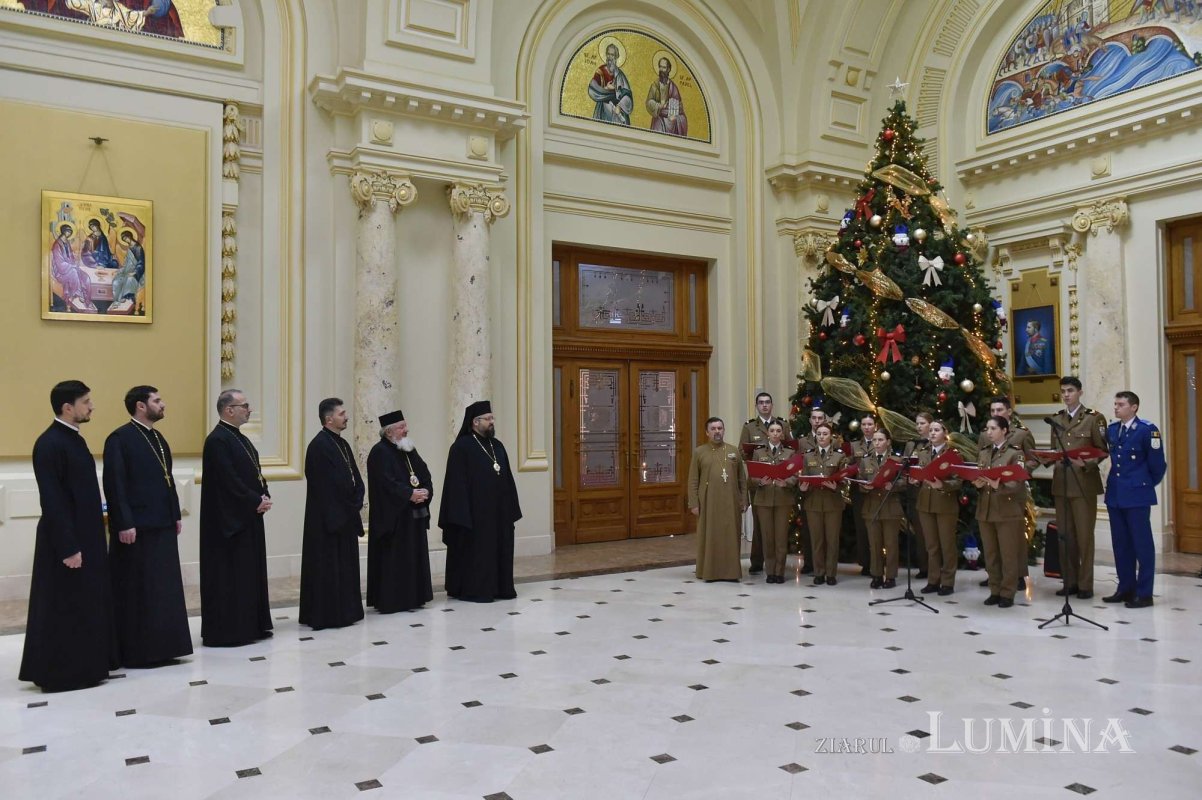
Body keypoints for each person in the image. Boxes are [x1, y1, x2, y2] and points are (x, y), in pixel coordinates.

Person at [20, 380, 117, 691]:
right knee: (63, 607)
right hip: (66, 542)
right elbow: (53, 500)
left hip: (84, 536)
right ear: (67, 407)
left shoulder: (73, 439)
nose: (91, 407)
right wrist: (68, 547)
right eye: (86, 402)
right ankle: (63, 672)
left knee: (84, 603)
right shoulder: (49, 443)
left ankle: (87, 666)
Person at [103, 385, 191, 666]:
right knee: (139, 589)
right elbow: (115, 484)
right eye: (157, 400)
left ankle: (165, 646)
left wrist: (175, 513)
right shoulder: (120, 438)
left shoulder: (159, 437)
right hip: (136, 528)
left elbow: (169, 479)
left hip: (162, 524)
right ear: (141, 406)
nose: (162, 404)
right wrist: (124, 522)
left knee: (162, 589)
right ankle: (139, 650)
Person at [199, 389, 273, 646]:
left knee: (249, 575)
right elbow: (228, 481)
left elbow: (255, 474)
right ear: (228, 409)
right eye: (245, 405)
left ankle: (252, 624)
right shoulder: (218, 440)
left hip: (248, 517)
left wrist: (264, 495)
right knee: (231, 577)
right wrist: (255, 501)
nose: (249, 410)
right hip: (228, 524)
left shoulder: (240, 439)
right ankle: (232, 629)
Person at [439, 401, 522, 602]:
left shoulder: (498, 446)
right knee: (479, 554)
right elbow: (455, 487)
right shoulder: (461, 447)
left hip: (499, 514)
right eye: (488, 419)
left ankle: (501, 588)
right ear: (475, 422)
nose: (492, 422)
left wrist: (510, 508)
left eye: (492, 418)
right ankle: (476, 589)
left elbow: (507, 478)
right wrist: (462, 517)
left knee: (499, 549)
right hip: (475, 516)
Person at [299, 398, 366, 629]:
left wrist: (357, 499)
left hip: (345, 516)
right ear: (329, 419)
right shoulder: (318, 446)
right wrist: (347, 506)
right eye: (342, 414)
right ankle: (328, 614)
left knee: (346, 568)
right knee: (328, 568)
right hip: (327, 521)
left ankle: (347, 611)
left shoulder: (343, 444)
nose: (346, 417)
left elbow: (355, 477)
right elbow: (324, 487)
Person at [1045, 376, 1108, 600]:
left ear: (1080, 392)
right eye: (1063, 391)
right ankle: (1069, 581)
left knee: (1084, 537)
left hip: (1083, 484)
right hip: (1062, 484)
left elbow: (1102, 450)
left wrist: (1087, 463)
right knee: (1065, 536)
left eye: (1070, 391)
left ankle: (1085, 584)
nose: (1066, 395)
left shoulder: (1094, 419)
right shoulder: (1056, 419)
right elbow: (1055, 449)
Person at [1103, 391, 1166, 609]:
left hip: (1137, 495)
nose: (1116, 408)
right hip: (1116, 495)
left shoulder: (1148, 430)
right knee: (1121, 545)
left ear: (1134, 407)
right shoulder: (1112, 430)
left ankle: (1144, 593)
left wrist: (1143, 484)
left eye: (1121, 404)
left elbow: (1158, 466)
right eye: (1115, 404)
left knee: (1142, 545)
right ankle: (1125, 587)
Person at [368, 409, 434, 613]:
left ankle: (414, 596)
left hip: (412, 515)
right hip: (393, 519)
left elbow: (423, 473)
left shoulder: (408, 449)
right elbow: (386, 483)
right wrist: (409, 494)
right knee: (394, 559)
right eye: (401, 427)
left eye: (405, 425)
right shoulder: (379, 452)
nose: (406, 430)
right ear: (389, 432)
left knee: (413, 556)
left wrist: (425, 490)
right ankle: (393, 600)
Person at [977, 396, 1037, 589]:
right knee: (993, 543)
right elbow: (982, 461)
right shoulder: (985, 436)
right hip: (989, 493)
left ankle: (1016, 576)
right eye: (993, 411)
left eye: (999, 410)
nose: (996, 414)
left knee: (1012, 539)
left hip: (1013, 492)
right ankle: (995, 577)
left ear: (1008, 412)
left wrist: (1017, 473)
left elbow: (1033, 458)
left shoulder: (1021, 434)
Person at [688, 417, 747, 581]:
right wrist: (693, 503)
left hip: (731, 501)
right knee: (710, 536)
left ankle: (731, 572)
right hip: (708, 502)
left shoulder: (734, 451)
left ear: (724, 430)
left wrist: (744, 500)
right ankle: (709, 572)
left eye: (720, 428)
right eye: (713, 429)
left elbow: (742, 479)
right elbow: (693, 479)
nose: (717, 432)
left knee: (731, 536)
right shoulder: (699, 452)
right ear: (707, 432)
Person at [914, 420, 962, 596]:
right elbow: (919, 471)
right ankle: (933, 580)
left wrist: (942, 484)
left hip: (945, 504)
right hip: (925, 503)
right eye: (931, 430)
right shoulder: (923, 452)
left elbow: (958, 480)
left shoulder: (952, 454)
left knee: (947, 544)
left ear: (945, 432)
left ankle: (948, 582)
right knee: (931, 545)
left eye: (936, 430)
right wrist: (915, 478)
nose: (932, 433)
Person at [739, 392, 783, 575]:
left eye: (767, 403)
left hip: (779, 482)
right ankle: (757, 560)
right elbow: (741, 451)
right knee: (759, 523)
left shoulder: (782, 424)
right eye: (761, 403)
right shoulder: (750, 427)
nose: (764, 406)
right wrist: (755, 453)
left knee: (778, 525)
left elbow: (789, 447)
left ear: (772, 405)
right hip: (758, 482)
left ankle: (777, 564)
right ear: (756, 406)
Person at [799, 422, 847, 586]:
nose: (821, 437)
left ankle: (831, 573)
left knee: (832, 541)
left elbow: (845, 480)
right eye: (819, 434)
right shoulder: (808, 455)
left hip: (832, 503)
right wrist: (803, 487)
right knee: (817, 540)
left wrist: (836, 486)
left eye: (825, 434)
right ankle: (819, 572)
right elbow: (804, 477)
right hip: (813, 502)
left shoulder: (839, 456)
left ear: (831, 436)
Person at [751, 421, 797, 584]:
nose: (776, 433)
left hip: (783, 499)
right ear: (767, 434)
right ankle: (770, 571)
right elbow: (752, 476)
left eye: (778, 431)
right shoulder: (759, 452)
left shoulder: (790, 453)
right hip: (764, 499)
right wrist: (760, 482)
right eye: (772, 430)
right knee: (767, 537)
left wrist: (787, 482)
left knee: (780, 537)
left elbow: (795, 474)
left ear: (782, 434)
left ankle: (780, 572)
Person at [858, 429, 903, 589]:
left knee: (891, 544)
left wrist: (894, 485)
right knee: (874, 544)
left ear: (888, 442)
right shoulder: (865, 460)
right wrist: (865, 486)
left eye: (880, 440)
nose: (876, 443)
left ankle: (890, 576)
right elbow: (860, 480)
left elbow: (905, 481)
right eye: (875, 440)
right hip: (872, 507)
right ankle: (876, 574)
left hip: (890, 506)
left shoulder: (896, 460)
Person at [902, 412, 933, 580]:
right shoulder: (911, 445)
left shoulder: (937, 443)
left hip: (932, 492)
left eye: (922, 423)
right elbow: (905, 467)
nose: (919, 426)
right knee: (920, 533)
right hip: (915, 493)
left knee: (932, 534)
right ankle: (924, 567)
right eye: (917, 423)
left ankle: (935, 568)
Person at [850, 415, 878, 576]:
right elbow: (851, 463)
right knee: (861, 528)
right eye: (864, 424)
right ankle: (865, 563)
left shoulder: (881, 442)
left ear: (875, 426)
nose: (867, 427)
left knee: (876, 528)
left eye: (870, 424)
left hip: (876, 490)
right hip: (859, 491)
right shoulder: (855, 445)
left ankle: (877, 562)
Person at [588, 42, 633, 125]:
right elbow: (592, 89)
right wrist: (606, 89)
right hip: (603, 111)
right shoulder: (601, 71)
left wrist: (620, 106)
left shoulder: (620, 75)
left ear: (616, 57)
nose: (610, 57)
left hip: (618, 112)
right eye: (608, 54)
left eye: (612, 55)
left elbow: (628, 95)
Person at [646, 56, 688, 136]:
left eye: (664, 67)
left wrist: (675, 116)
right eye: (660, 67)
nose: (661, 70)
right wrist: (659, 105)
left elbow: (680, 107)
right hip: (659, 118)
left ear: (668, 69)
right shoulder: (655, 85)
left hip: (672, 120)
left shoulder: (673, 87)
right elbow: (649, 102)